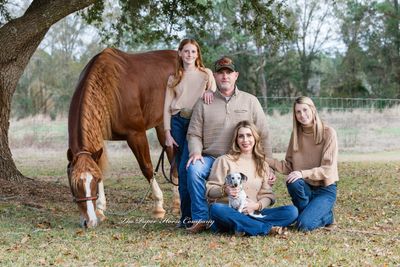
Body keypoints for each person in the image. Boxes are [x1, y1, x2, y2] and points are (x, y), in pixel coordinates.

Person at [183, 56, 275, 234]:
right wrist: (195, 152)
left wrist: (269, 165)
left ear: (236, 76)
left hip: (239, 159)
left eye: (229, 72)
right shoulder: (204, 102)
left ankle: (244, 212)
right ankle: (202, 219)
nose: (225, 76)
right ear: (215, 77)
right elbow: (193, 133)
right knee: (193, 169)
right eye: (220, 73)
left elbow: (263, 133)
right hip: (211, 157)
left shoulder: (250, 101)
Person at [206, 121, 298, 236]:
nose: (245, 140)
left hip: (252, 212)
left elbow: (268, 196)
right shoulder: (224, 160)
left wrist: (256, 206)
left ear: (255, 138)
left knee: (291, 211)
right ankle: (265, 228)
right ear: (236, 140)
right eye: (241, 136)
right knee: (216, 209)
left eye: (249, 135)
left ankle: (245, 227)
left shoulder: (262, 164)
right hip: (228, 213)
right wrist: (224, 190)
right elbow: (209, 190)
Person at [163, 39, 216, 228]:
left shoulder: (206, 74)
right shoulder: (173, 77)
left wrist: (210, 90)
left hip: (197, 123)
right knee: (181, 169)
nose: (190, 55)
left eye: (193, 52)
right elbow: (166, 107)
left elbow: (215, 95)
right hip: (178, 122)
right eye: (186, 51)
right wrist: (167, 132)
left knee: (188, 169)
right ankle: (187, 218)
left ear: (198, 54)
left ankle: (192, 217)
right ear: (180, 53)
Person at [267, 96, 339, 232]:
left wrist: (302, 173)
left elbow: (328, 169)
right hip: (304, 188)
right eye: (298, 112)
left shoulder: (328, 133)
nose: (302, 115)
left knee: (303, 226)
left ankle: (328, 216)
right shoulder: (296, 135)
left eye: (305, 110)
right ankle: (313, 212)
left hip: (325, 189)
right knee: (293, 182)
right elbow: (289, 166)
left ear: (313, 110)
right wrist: (265, 160)